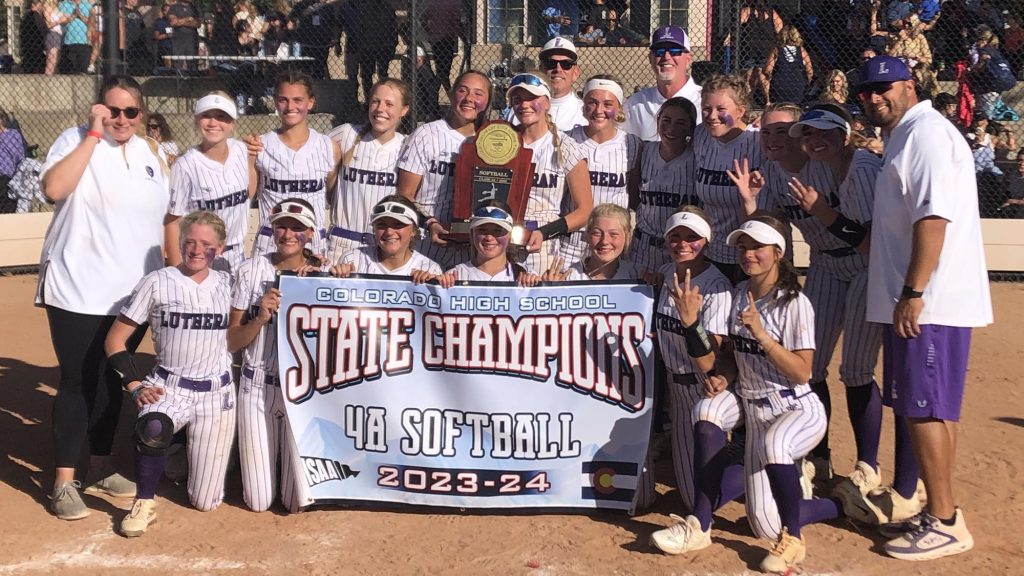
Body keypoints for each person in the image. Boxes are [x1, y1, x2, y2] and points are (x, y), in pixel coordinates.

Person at [844, 55, 992, 561]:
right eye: (866, 91)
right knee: (933, 410)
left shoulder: (926, 134)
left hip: (928, 303)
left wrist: (913, 292)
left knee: (921, 410)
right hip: (926, 301)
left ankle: (946, 520)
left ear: (910, 84)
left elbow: (933, 218)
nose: (873, 97)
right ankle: (940, 511)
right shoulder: (909, 135)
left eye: (883, 87)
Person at [655, 215, 839, 572]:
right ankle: (700, 525)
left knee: (775, 452)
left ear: (779, 252)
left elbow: (804, 372)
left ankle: (803, 533)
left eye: (757, 246)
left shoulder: (794, 302)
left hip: (794, 408)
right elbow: (731, 360)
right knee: (708, 412)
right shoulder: (741, 294)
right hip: (751, 406)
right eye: (743, 246)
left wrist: (763, 336)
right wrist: (723, 378)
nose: (748, 253)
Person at [38, 74, 169, 520]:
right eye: (112, 110)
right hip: (77, 288)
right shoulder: (75, 139)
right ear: (98, 110)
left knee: (115, 380)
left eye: (130, 111)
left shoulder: (151, 152)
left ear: (142, 113)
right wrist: (92, 134)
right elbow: (54, 189)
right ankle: (62, 480)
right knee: (78, 381)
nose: (121, 119)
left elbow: (162, 219)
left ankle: (100, 466)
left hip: (132, 297)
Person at [105, 211, 236, 537]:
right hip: (170, 387)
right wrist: (134, 384)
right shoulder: (157, 281)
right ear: (179, 243)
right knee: (153, 426)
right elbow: (115, 340)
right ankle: (144, 501)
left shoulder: (229, 285)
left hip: (216, 394)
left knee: (205, 501)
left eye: (206, 244)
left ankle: (180, 455)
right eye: (189, 241)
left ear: (219, 249)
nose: (195, 250)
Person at [785, 105, 886, 498]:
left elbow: (868, 242)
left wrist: (823, 213)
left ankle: (868, 465)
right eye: (807, 134)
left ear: (845, 133)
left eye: (823, 132)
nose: (814, 140)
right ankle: (819, 455)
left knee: (857, 370)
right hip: (826, 265)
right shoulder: (814, 169)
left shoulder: (862, 168)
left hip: (866, 267)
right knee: (810, 366)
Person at [645, 207, 739, 555]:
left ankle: (755, 467)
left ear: (706, 241)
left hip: (704, 387)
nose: (683, 243)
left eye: (691, 237)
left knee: (700, 496)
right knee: (689, 493)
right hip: (674, 385)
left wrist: (690, 320)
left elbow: (711, 361)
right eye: (676, 236)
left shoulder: (717, 286)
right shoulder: (667, 272)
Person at [229, 199, 325, 513]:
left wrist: (319, 283)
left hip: (300, 393)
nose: (288, 234)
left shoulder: (320, 274)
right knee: (258, 501)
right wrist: (259, 318)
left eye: (298, 228)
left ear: (310, 233)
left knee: (297, 504)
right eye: (282, 225)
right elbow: (231, 341)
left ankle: (286, 465)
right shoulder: (251, 269)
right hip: (257, 386)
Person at [398, 69, 491, 269]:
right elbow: (405, 193)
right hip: (427, 241)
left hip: (472, 247)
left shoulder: (493, 141)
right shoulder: (426, 134)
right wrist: (430, 223)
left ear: (488, 100)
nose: (469, 98)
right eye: (463, 91)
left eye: (478, 94)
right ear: (451, 94)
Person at [247, 71, 341, 258]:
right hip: (271, 243)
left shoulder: (328, 147)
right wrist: (248, 158)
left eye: (298, 100)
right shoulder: (260, 146)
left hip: (311, 242)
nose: (290, 107)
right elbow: (248, 196)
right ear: (275, 102)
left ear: (311, 102)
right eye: (283, 100)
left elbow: (332, 196)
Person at [505, 73, 593, 272]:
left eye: (531, 98)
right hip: (502, 237)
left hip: (544, 243)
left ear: (547, 102)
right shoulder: (502, 140)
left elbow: (585, 210)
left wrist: (544, 232)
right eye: (517, 99)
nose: (524, 104)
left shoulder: (565, 146)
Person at [164, 93, 254, 274]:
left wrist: (252, 158)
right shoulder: (185, 165)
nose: (213, 123)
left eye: (222, 117)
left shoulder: (242, 150)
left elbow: (248, 194)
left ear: (232, 124)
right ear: (197, 120)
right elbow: (172, 222)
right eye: (206, 116)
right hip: (200, 256)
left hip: (236, 253)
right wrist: (176, 274)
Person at [326, 79, 411, 263]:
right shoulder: (346, 134)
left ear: (404, 110)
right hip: (341, 244)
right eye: (376, 101)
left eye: (389, 104)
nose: (380, 109)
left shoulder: (408, 145)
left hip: (384, 248)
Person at [692, 73, 763, 284]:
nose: (712, 116)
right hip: (711, 254)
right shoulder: (701, 136)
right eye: (706, 109)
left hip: (749, 256)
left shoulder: (759, 141)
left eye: (721, 110)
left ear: (741, 111)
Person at [560, 76, 639, 263]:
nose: (599, 110)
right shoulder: (566, 140)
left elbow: (635, 195)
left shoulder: (632, 144)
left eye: (607, 104)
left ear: (618, 107)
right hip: (572, 243)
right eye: (592, 102)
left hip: (611, 243)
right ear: (583, 105)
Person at [630, 97, 698, 274]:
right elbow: (634, 198)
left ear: (691, 128)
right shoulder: (645, 151)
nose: (671, 128)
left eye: (681, 123)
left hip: (681, 250)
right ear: (658, 120)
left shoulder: (697, 158)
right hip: (643, 248)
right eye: (666, 120)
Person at [331, 195, 443, 280]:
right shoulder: (352, 259)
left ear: (414, 230)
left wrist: (430, 285)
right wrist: (339, 277)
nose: (389, 232)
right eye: (382, 225)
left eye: (398, 224)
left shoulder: (430, 269)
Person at [624, 25, 703, 141]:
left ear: (688, 59)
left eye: (674, 51)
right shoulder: (635, 105)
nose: (666, 57)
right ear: (650, 59)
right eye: (659, 52)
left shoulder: (705, 103)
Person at [501, 37, 586, 132]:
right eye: (550, 63)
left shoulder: (585, 113)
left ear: (575, 73)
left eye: (566, 64)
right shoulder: (519, 111)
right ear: (541, 69)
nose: (558, 69)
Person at [439, 200, 532, 284]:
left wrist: (542, 284)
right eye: (482, 230)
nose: (489, 237)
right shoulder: (455, 275)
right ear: (471, 233)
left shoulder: (526, 274)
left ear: (510, 236)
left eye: (498, 231)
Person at [725, 0, 784, 104]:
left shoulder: (767, 12)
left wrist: (780, 43)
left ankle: (759, 100)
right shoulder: (754, 11)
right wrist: (730, 36)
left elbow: (780, 28)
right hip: (757, 48)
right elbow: (736, 24)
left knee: (755, 75)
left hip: (757, 47)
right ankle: (758, 100)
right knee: (754, 75)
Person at [763, 25, 813, 106]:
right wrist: (807, 82)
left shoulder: (777, 50)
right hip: (798, 85)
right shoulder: (801, 50)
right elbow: (810, 71)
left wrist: (772, 76)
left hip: (779, 85)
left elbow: (767, 70)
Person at [57, 0, 91, 74]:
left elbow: (91, 22)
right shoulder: (64, 4)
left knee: (82, 71)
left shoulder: (86, 4)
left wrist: (80, 15)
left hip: (83, 42)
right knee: (67, 71)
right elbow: (62, 21)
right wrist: (73, 16)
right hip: (68, 42)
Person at [20, 0, 47, 74]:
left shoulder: (27, 16)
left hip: (29, 47)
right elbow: (41, 31)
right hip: (35, 47)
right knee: (36, 68)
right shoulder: (35, 16)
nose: (43, 6)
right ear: (36, 5)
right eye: (41, 4)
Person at [999, 149, 1024, 218]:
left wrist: (1013, 201)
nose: (1022, 163)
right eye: (1020, 160)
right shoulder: (1011, 176)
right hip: (1016, 210)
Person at [42, 0, 63, 75]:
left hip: (58, 34)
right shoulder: (48, 7)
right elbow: (48, 24)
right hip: (53, 33)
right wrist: (59, 21)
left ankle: (52, 75)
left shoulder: (58, 8)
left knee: (55, 58)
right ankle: (48, 74)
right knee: (52, 58)